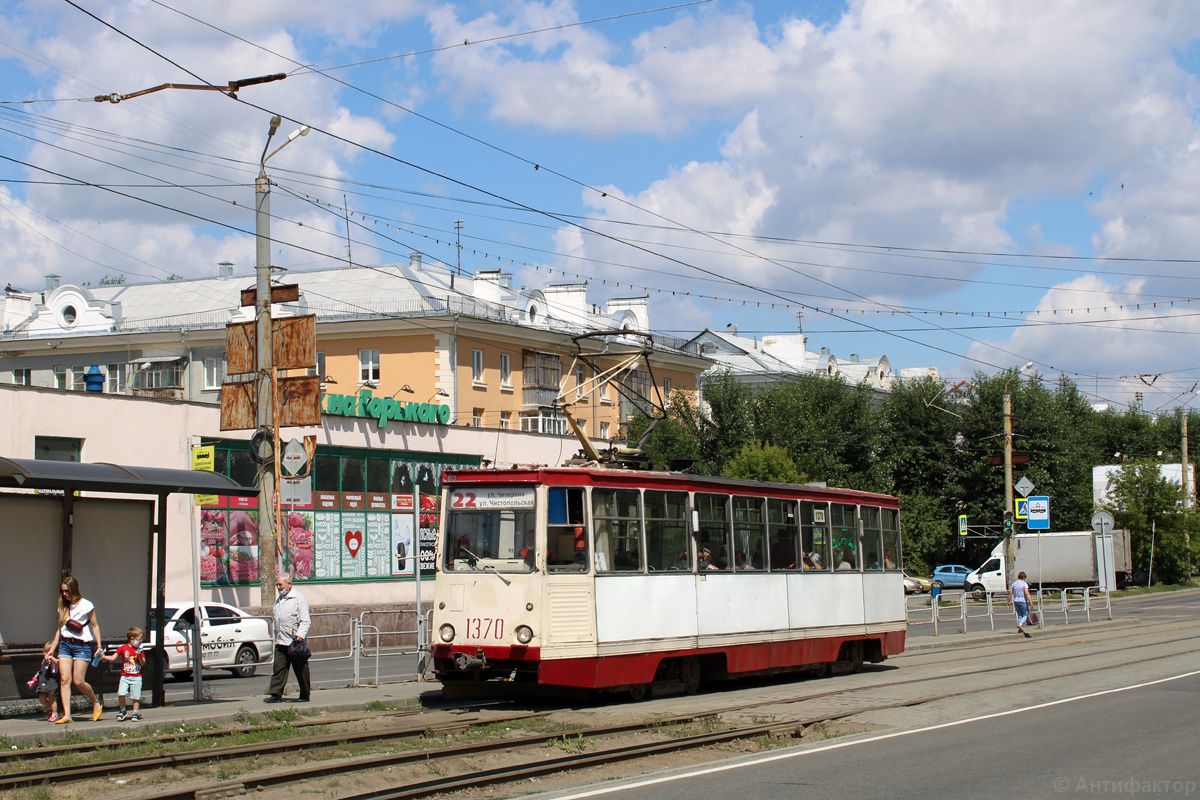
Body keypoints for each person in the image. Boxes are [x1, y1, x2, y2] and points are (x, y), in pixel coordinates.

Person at [49, 576, 103, 723]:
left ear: (73, 589)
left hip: (82, 645)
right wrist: (52, 649)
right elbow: (59, 630)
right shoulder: (63, 606)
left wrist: (99, 646)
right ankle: (67, 715)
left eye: (66, 591)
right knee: (65, 679)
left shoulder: (86, 605)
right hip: (65, 644)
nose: (64, 594)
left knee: (79, 681)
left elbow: (94, 626)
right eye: (62, 592)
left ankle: (95, 702)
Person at [266, 573, 312, 703]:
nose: (278, 587)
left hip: (295, 641)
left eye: (280, 585)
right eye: (277, 585)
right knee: (279, 668)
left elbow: (305, 620)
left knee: (301, 669)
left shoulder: (298, 598)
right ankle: (276, 694)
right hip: (281, 640)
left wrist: (300, 635)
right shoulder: (279, 600)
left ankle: (304, 694)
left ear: (289, 584)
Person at [102, 626, 145, 721]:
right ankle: (122, 710)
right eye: (140, 639)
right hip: (125, 676)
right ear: (132, 639)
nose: (140, 641)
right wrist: (104, 657)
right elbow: (113, 658)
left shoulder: (140, 650)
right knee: (121, 693)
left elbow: (143, 663)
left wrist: (139, 656)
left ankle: (135, 713)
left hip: (136, 676)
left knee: (136, 696)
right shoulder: (123, 648)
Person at [27, 642, 60, 723]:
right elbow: (41, 671)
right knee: (42, 698)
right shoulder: (44, 661)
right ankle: (50, 709)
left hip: (51, 682)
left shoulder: (54, 661)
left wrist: (52, 658)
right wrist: (34, 679)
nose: (45, 654)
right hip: (43, 682)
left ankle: (55, 714)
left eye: (47, 652)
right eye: (44, 652)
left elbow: (58, 665)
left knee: (52, 699)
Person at [1008, 570, 1034, 637]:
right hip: (1022, 601)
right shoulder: (1024, 584)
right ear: (1024, 577)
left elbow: (1011, 593)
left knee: (1020, 615)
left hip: (1016, 601)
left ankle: (1020, 629)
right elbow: (1027, 593)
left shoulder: (1014, 583)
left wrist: (1008, 601)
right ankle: (1020, 624)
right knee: (1026, 613)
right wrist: (1031, 601)